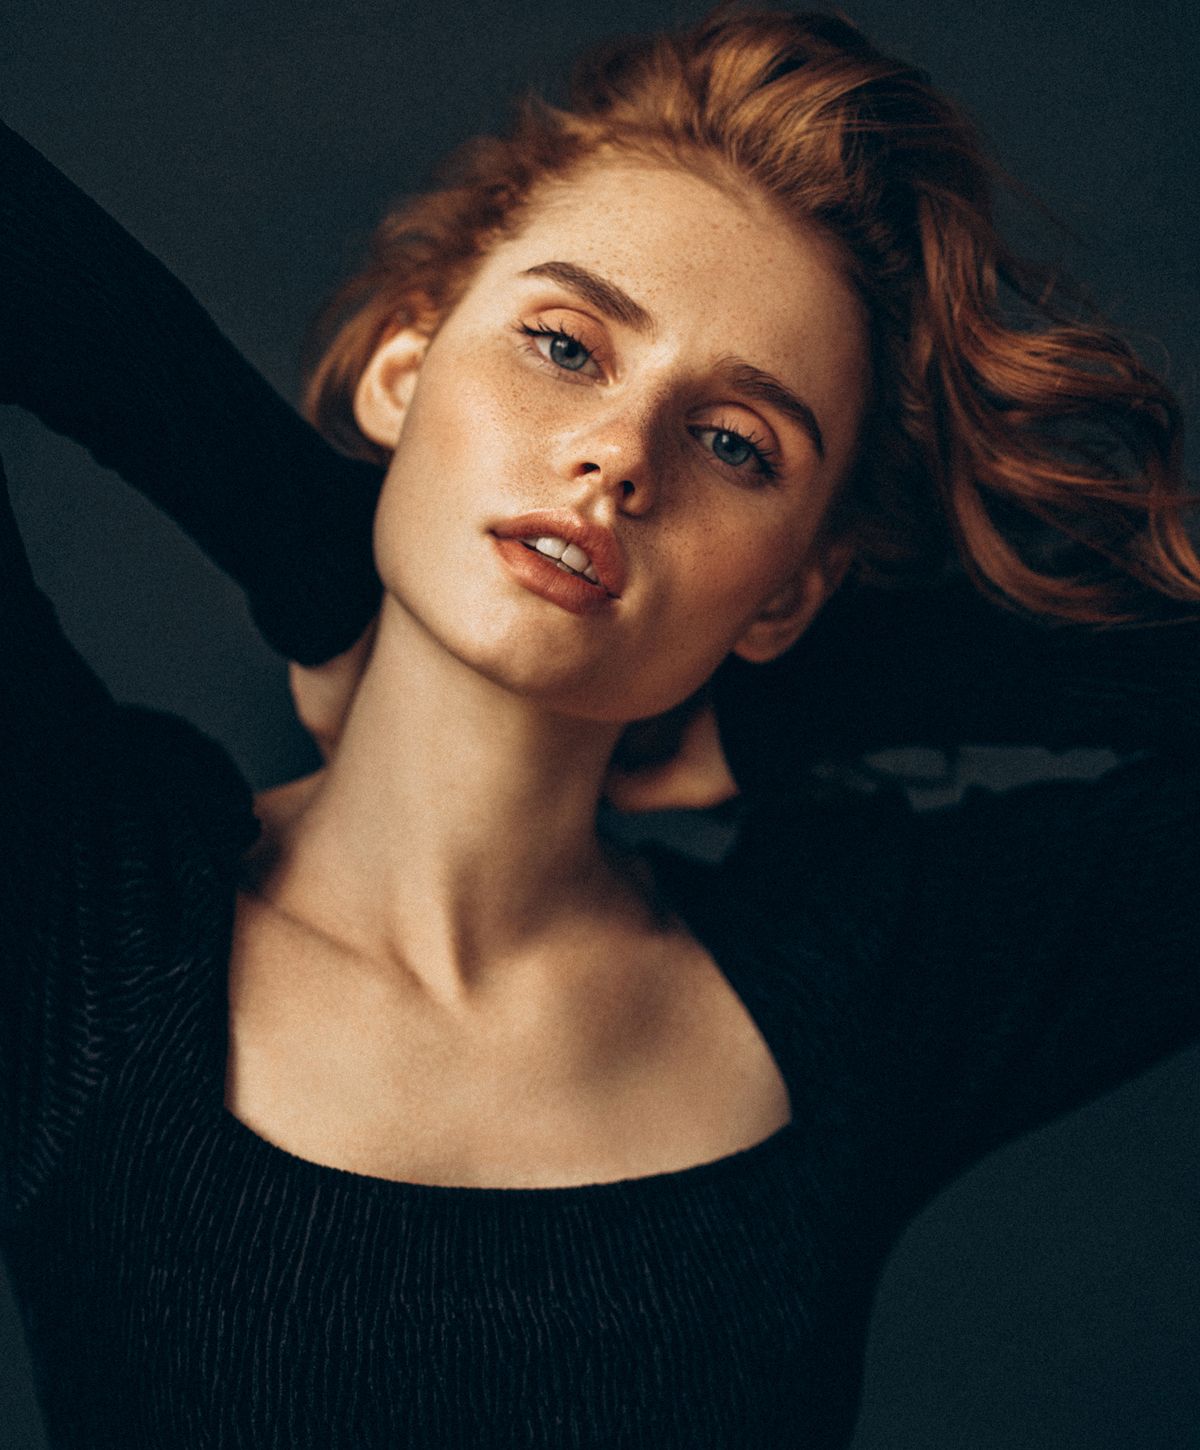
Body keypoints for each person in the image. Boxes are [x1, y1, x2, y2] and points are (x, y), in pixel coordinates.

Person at [1, 4, 1197, 1446]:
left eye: (738, 444)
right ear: (405, 368)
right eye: (565, 345)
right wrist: (293, 542)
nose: (621, 457)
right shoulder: (75, 893)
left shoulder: (856, 980)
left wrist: (811, 695)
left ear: (794, 591)